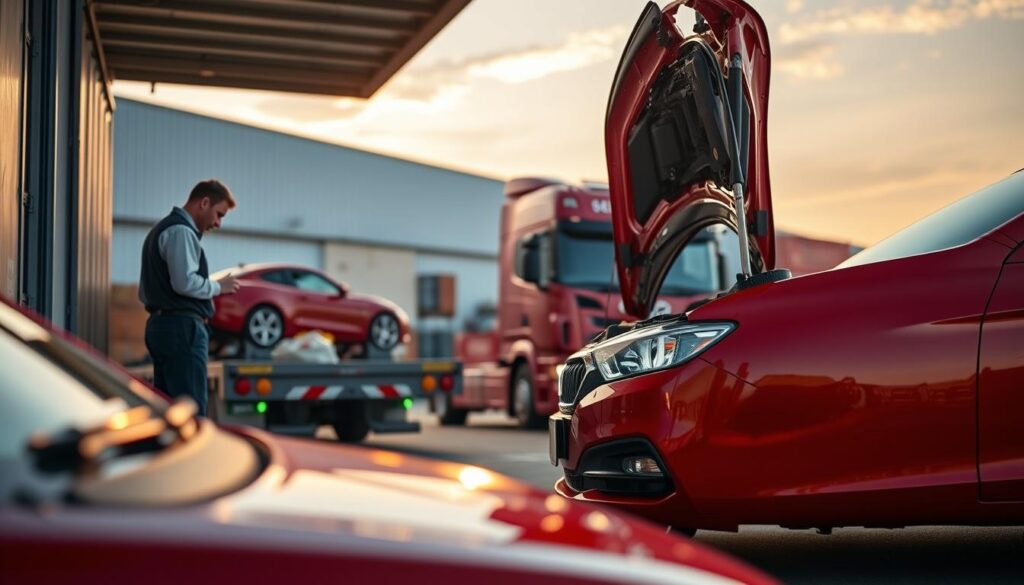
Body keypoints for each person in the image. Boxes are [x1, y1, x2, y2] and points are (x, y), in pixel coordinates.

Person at [139, 179, 240, 415]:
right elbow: (184, 282)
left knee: (170, 411)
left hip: (163, 326)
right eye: (219, 214)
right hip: (182, 329)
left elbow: (145, 292)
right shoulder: (181, 232)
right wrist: (218, 287)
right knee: (191, 410)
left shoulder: (162, 229)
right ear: (204, 203)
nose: (218, 223)